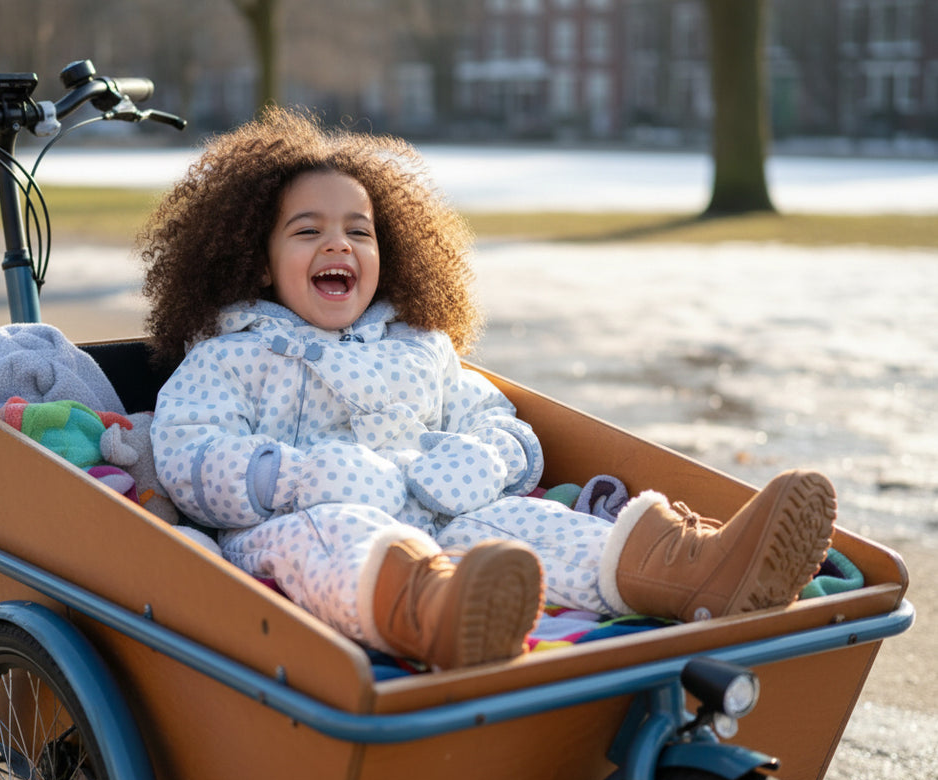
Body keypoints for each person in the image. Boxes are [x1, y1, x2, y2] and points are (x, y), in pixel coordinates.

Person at [141, 107, 837, 671]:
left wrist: (483, 459)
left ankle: (694, 569)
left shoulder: (421, 348)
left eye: (360, 230)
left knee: (532, 528)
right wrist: (303, 476)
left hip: (447, 513)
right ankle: (436, 618)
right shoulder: (230, 355)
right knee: (337, 534)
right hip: (302, 522)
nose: (339, 245)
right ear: (258, 264)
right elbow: (188, 451)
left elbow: (501, 422)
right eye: (308, 231)